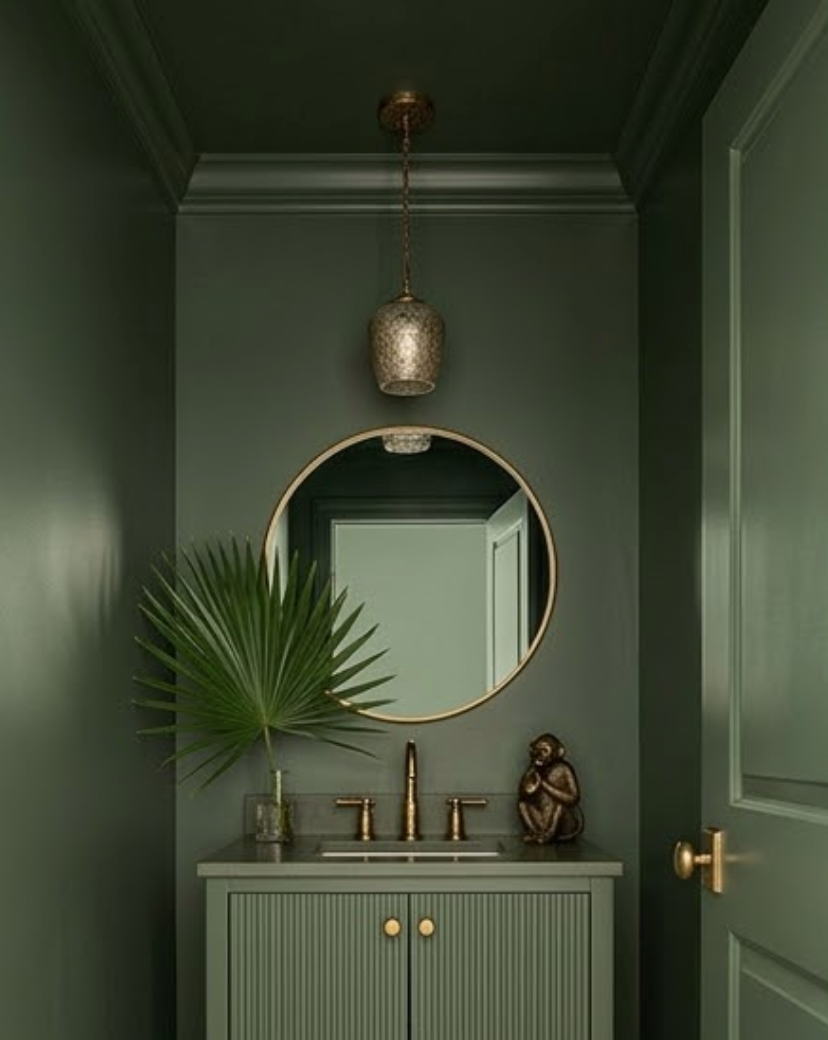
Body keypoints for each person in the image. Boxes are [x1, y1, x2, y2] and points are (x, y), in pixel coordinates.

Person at [518, 732, 584, 843]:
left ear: (556, 752)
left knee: (559, 805)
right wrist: (532, 771)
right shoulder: (536, 768)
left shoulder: (564, 769)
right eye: (537, 750)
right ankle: (536, 833)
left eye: (544, 751)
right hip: (544, 818)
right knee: (522, 804)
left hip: (562, 821)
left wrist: (544, 785)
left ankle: (547, 835)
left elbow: (573, 798)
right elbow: (524, 793)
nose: (540, 754)